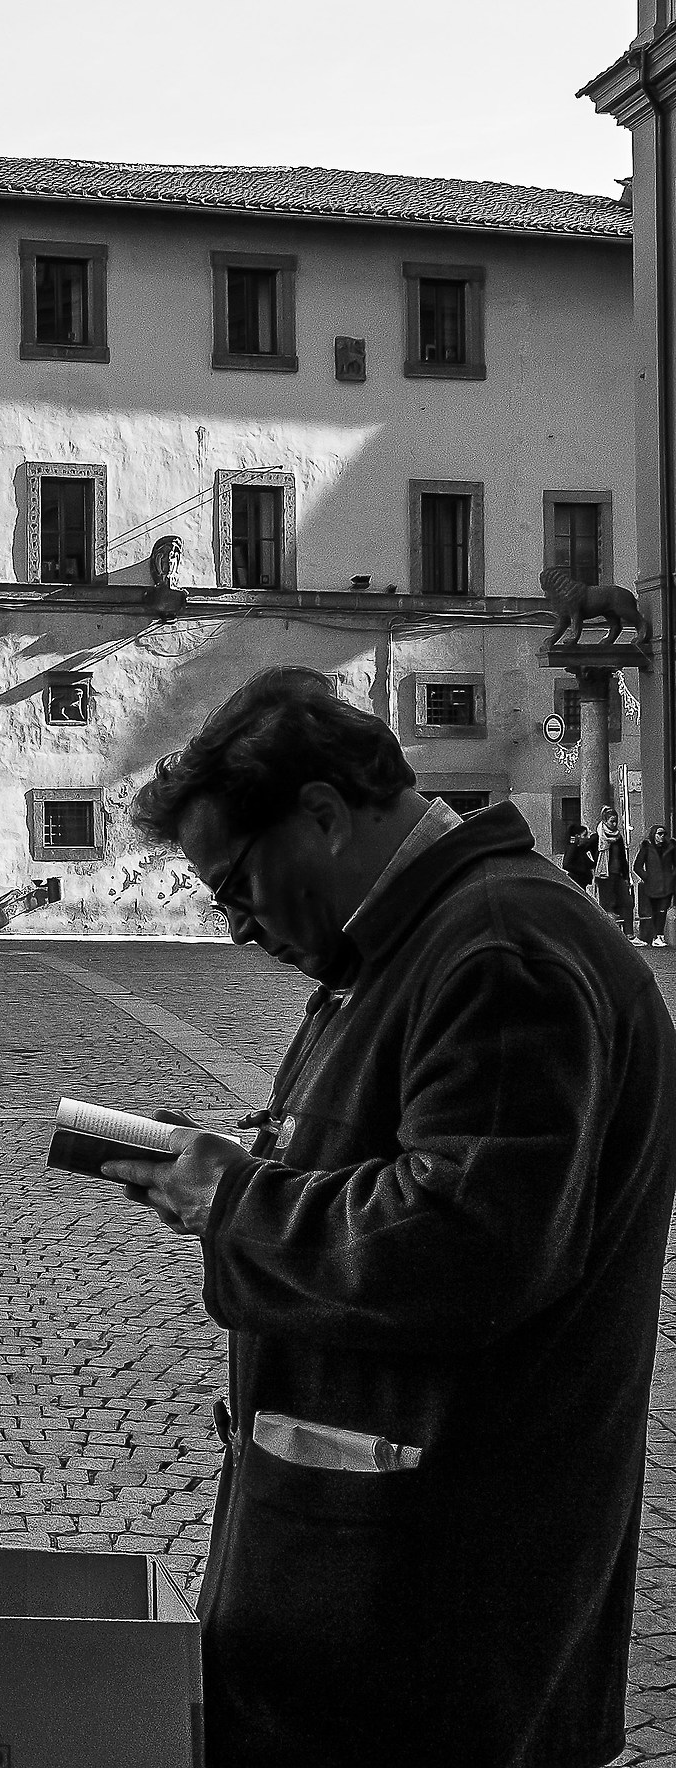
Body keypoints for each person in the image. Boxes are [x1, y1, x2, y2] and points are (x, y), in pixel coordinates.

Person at [102, 668, 676, 1767]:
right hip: (378, 1591)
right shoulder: (415, 946)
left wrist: (232, 1198)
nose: (238, 927)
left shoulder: (498, 951)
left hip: (434, 1614)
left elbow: (464, 1244)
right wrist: (248, 1166)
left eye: (239, 885)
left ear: (323, 814)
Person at [599, 806, 634, 935]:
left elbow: (623, 858)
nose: (614, 824)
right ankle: (608, 935)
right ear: (605, 821)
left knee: (627, 902)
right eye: (612, 821)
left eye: (616, 821)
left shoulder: (618, 837)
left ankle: (629, 933)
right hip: (605, 876)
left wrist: (626, 877)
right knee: (608, 906)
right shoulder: (599, 837)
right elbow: (585, 850)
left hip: (618, 874)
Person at [641, 825, 676, 946]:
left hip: (667, 885)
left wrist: (671, 876)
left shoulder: (670, 847)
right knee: (654, 911)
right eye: (659, 834)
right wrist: (647, 877)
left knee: (663, 910)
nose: (662, 836)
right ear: (654, 835)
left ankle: (659, 936)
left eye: (664, 834)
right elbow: (637, 866)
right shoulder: (646, 847)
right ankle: (655, 936)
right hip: (653, 886)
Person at [566, 817, 599, 890]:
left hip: (582, 882)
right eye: (584, 835)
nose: (587, 837)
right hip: (576, 882)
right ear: (577, 836)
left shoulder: (581, 849)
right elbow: (566, 865)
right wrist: (583, 871)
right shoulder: (572, 847)